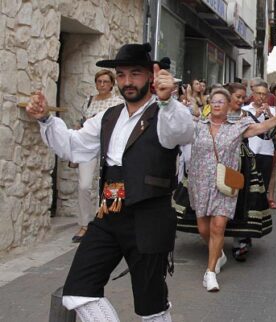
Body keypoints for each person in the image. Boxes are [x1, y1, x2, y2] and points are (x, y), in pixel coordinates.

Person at [27, 43, 194, 321]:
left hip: (149, 218)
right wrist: (45, 119)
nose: (127, 81)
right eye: (121, 75)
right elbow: (73, 146)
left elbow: (181, 133)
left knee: (152, 307)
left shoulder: (165, 113)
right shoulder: (108, 117)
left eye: (135, 74)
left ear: (151, 76)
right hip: (109, 214)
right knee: (78, 291)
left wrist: (167, 101)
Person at [189, 86, 276, 292]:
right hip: (199, 183)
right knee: (203, 229)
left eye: (221, 101)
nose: (217, 104)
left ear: (228, 106)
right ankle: (218, 254)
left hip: (224, 183)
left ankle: (210, 273)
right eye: (214, 101)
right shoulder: (199, 125)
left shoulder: (238, 125)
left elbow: (263, 128)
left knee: (218, 226)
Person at [72, 69, 124, 243]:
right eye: (99, 81)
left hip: (108, 147)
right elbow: (80, 123)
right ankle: (85, 223)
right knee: (84, 185)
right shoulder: (88, 101)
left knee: (106, 185)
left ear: (112, 84)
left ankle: (104, 221)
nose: (102, 84)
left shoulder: (117, 102)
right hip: (89, 147)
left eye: (105, 81)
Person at [243, 81, 276, 209]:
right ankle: (248, 207)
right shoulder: (245, 109)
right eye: (258, 93)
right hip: (250, 150)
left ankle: (260, 208)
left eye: (264, 94)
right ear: (253, 94)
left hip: (266, 151)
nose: (261, 97)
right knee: (249, 181)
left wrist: (269, 114)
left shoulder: (272, 110)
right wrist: (256, 114)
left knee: (264, 181)